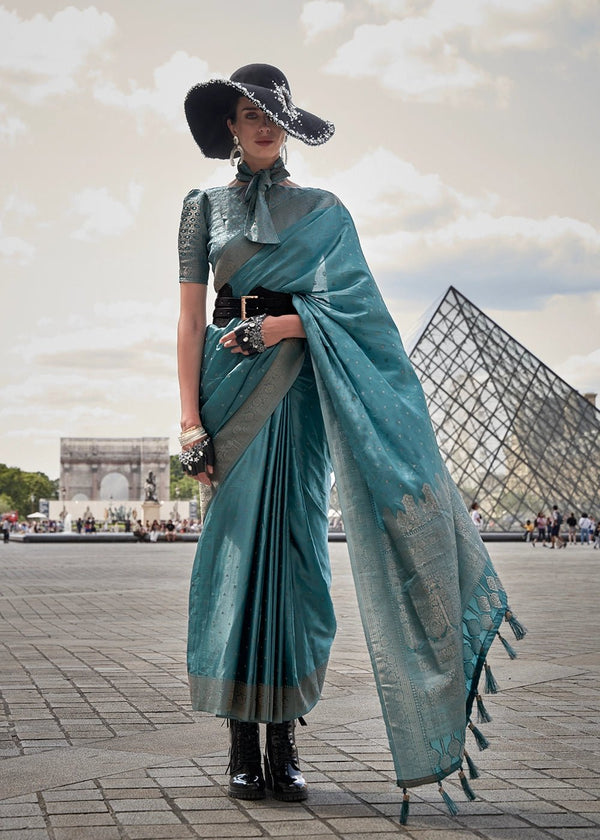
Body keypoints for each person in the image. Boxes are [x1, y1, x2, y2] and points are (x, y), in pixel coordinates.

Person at [177, 63, 523, 816]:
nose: (263, 125)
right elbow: (186, 318)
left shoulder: (326, 211)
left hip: (297, 387)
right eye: (248, 112)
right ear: (230, 126)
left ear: (290, 125)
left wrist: (285, 324)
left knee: (297, 559)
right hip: (227, 394)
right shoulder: (201, 207)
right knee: (236, 560)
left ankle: (285, 742)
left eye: (275, 113)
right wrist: (187, 421)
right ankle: (242, 744)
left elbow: (362, 319)